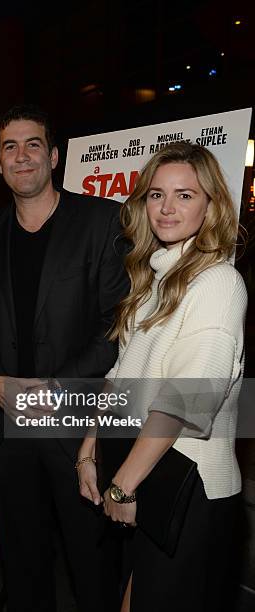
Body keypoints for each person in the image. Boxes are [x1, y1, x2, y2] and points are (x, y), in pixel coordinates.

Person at [0, 104, 130, 612]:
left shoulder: (101, 221)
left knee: (91, 570)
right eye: (10, 147)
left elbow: (114, 326)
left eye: (32, 144)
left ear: (53, 156)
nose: (22, 156)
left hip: (78, 424)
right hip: (7, 427)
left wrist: (53, 390)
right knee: (23, 570)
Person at [77, 141, 247, 611]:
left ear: (211, 205)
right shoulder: (154, 280)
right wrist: (89, 449)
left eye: (185, 195)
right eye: (156, 194)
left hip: (190, 489)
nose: (167, 207)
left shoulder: (217, 282)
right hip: (153, 478)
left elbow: (184, 401)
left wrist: (122, 484)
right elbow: (119, 377)